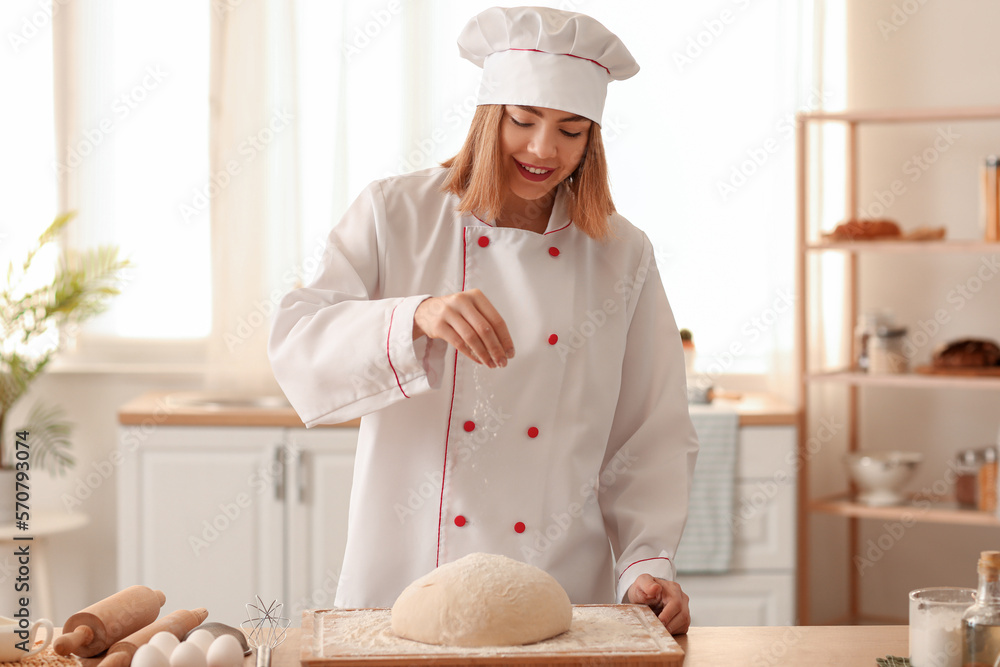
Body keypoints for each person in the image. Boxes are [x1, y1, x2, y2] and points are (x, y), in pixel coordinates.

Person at [268, 6, 699, 635]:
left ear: (593, 139)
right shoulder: (396, 213)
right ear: (488, 117)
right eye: (523, 121)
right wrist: (414, 315)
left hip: (558, 586)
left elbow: (649, 430)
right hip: (408, 578)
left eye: (572, 129)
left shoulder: (621, 252)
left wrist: (645, 562)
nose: (543, 149)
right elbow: (296, 338)